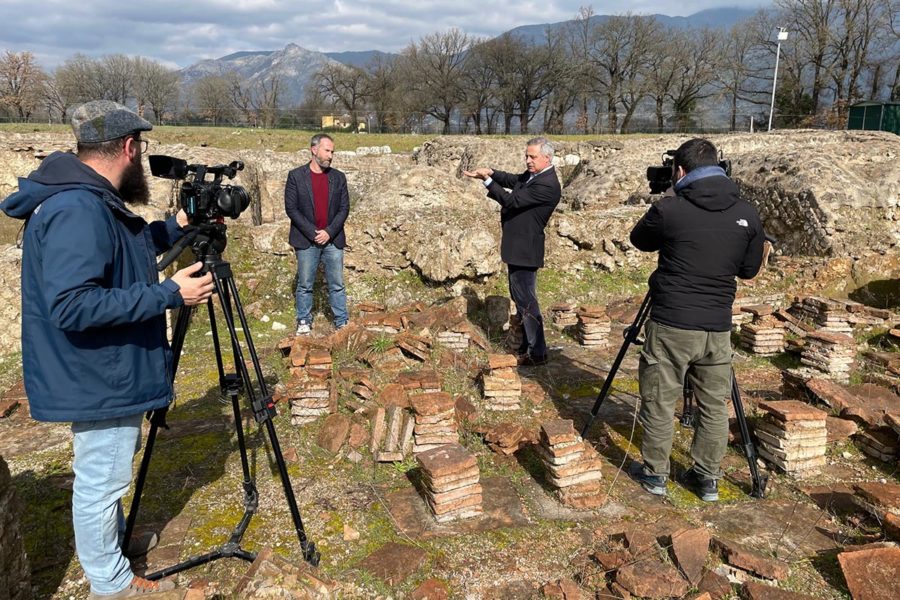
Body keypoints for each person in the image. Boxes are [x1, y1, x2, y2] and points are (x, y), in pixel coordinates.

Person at [0, 100, 215, 598]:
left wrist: (177, 226)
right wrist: (169, 294)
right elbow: (73, 305)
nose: (140, 159)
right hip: (98, 373)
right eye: (140, 149)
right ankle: (112, 583)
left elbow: (123, 253)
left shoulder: (85, 197)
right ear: (128, 147)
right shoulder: (76, 207)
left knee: (106, 469)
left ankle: (111, 544)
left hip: (102, 369)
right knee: (102, 479)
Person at [628, 137, 765, 502]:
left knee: (659, 399)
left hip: (672, 321)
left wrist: (672, 194)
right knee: (713, 404)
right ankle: (707, 479)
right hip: (717, 328)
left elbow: (639, 239)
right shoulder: (747, 213)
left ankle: (655, 474)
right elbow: (749, 270)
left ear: (681, 170)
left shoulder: (671, 209)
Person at [463, 137, 561, 366]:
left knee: (527, 301)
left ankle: (537, 353)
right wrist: (493, 172)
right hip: (518, 248)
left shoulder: (547, 184)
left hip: (525, 250)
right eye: (526, 156)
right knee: (521, 299)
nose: (527, 160)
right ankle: (530, 348)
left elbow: (511, 201)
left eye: (532, 157)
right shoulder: (535, 175)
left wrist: (487, 181)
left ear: (547, 158)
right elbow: (515, 179)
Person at [284, 133, 350, 335]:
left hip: (332, 239)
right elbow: (291, 209)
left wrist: (329, 232)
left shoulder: (338, 177)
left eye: (332, 152)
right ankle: (303, 320)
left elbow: (344, 208)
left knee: (337, 284)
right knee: (305, 284)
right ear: (314, 150)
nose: (330, 155)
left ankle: (341, 321)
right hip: (306, 240)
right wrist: (314, 233)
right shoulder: (296, 176)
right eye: (327, 150)